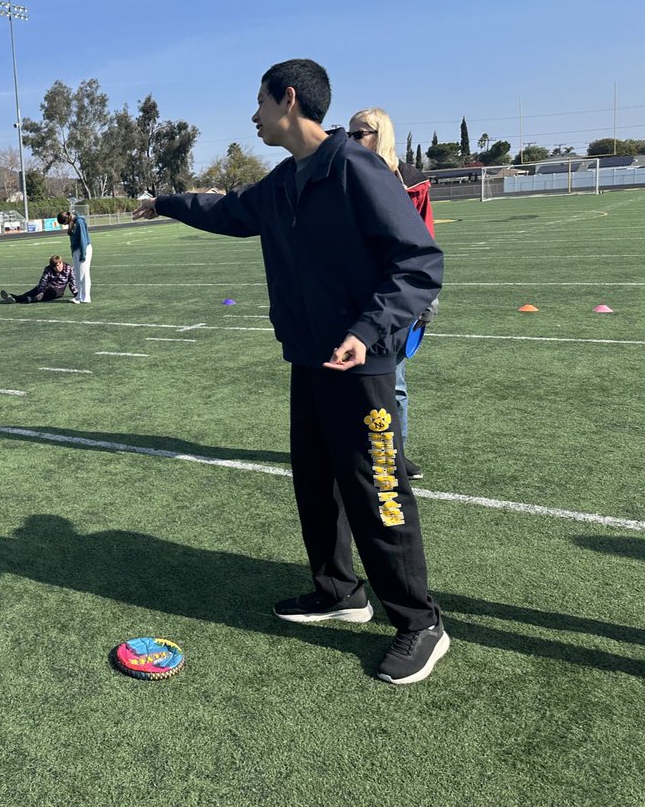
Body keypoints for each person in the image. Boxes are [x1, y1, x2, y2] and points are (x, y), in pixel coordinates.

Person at [133, 59, 448, 684]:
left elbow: (418, 262)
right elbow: (225, 210)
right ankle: (339, 592)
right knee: (315, 482)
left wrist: (365, 332)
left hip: (362, 365)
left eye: (259, 102)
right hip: (308, 360)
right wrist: (165, 202)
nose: (253, 115)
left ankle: (421, 623)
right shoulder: (283, 183)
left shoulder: (355, 169)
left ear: (289, 99)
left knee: (378, 491)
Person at [348, 107, 437, 481]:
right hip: (353, 294)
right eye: (349, 134)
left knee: (394, 383)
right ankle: (357, 449)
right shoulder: (346, 175)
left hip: (393, 297)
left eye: (359, 134)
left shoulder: (411, 183)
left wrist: (424, 300)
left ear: (380, 134)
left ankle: (393, 455)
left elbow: (425, 244)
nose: (350, 141)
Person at [0, 254, 78, 303]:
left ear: (62, 262)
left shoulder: (69, 269)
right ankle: (13, 297)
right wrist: (41, 291)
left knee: (50, 293)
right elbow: (43, 281)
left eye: (58, 265)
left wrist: (76, 294)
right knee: (30, 293)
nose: (56, 268)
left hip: (58, 290)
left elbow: (72, 283)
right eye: (54, 266)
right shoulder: (48, 269)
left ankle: (33, 299)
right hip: (46, 287)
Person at [56, 209, 91, 303]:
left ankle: (85, 297)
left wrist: (83, 254)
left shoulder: (79, 222)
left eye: (64, 223)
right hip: (77, 250)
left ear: (67, 219)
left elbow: (83, 239)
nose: (65, 225)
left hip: (82, 249)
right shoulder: (73, 222)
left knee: (83, 274)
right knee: (77, 274)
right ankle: (79, 296)